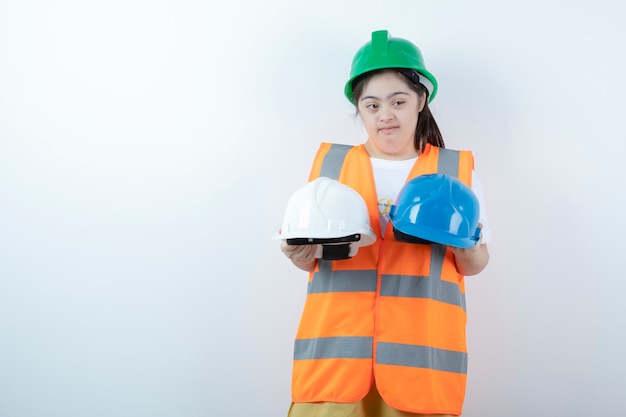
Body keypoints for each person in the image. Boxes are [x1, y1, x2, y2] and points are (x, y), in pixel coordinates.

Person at [279, 29, 491, 417]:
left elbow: (475, 263)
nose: (385, 115)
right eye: (372, 105)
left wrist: (465, 245)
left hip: (419, 370)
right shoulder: (331, 169)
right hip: (334, 362)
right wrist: (297, 255)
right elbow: (310, 261)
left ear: (421, 100)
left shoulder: (455, 173)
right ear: (358, 108)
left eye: (398, 101)